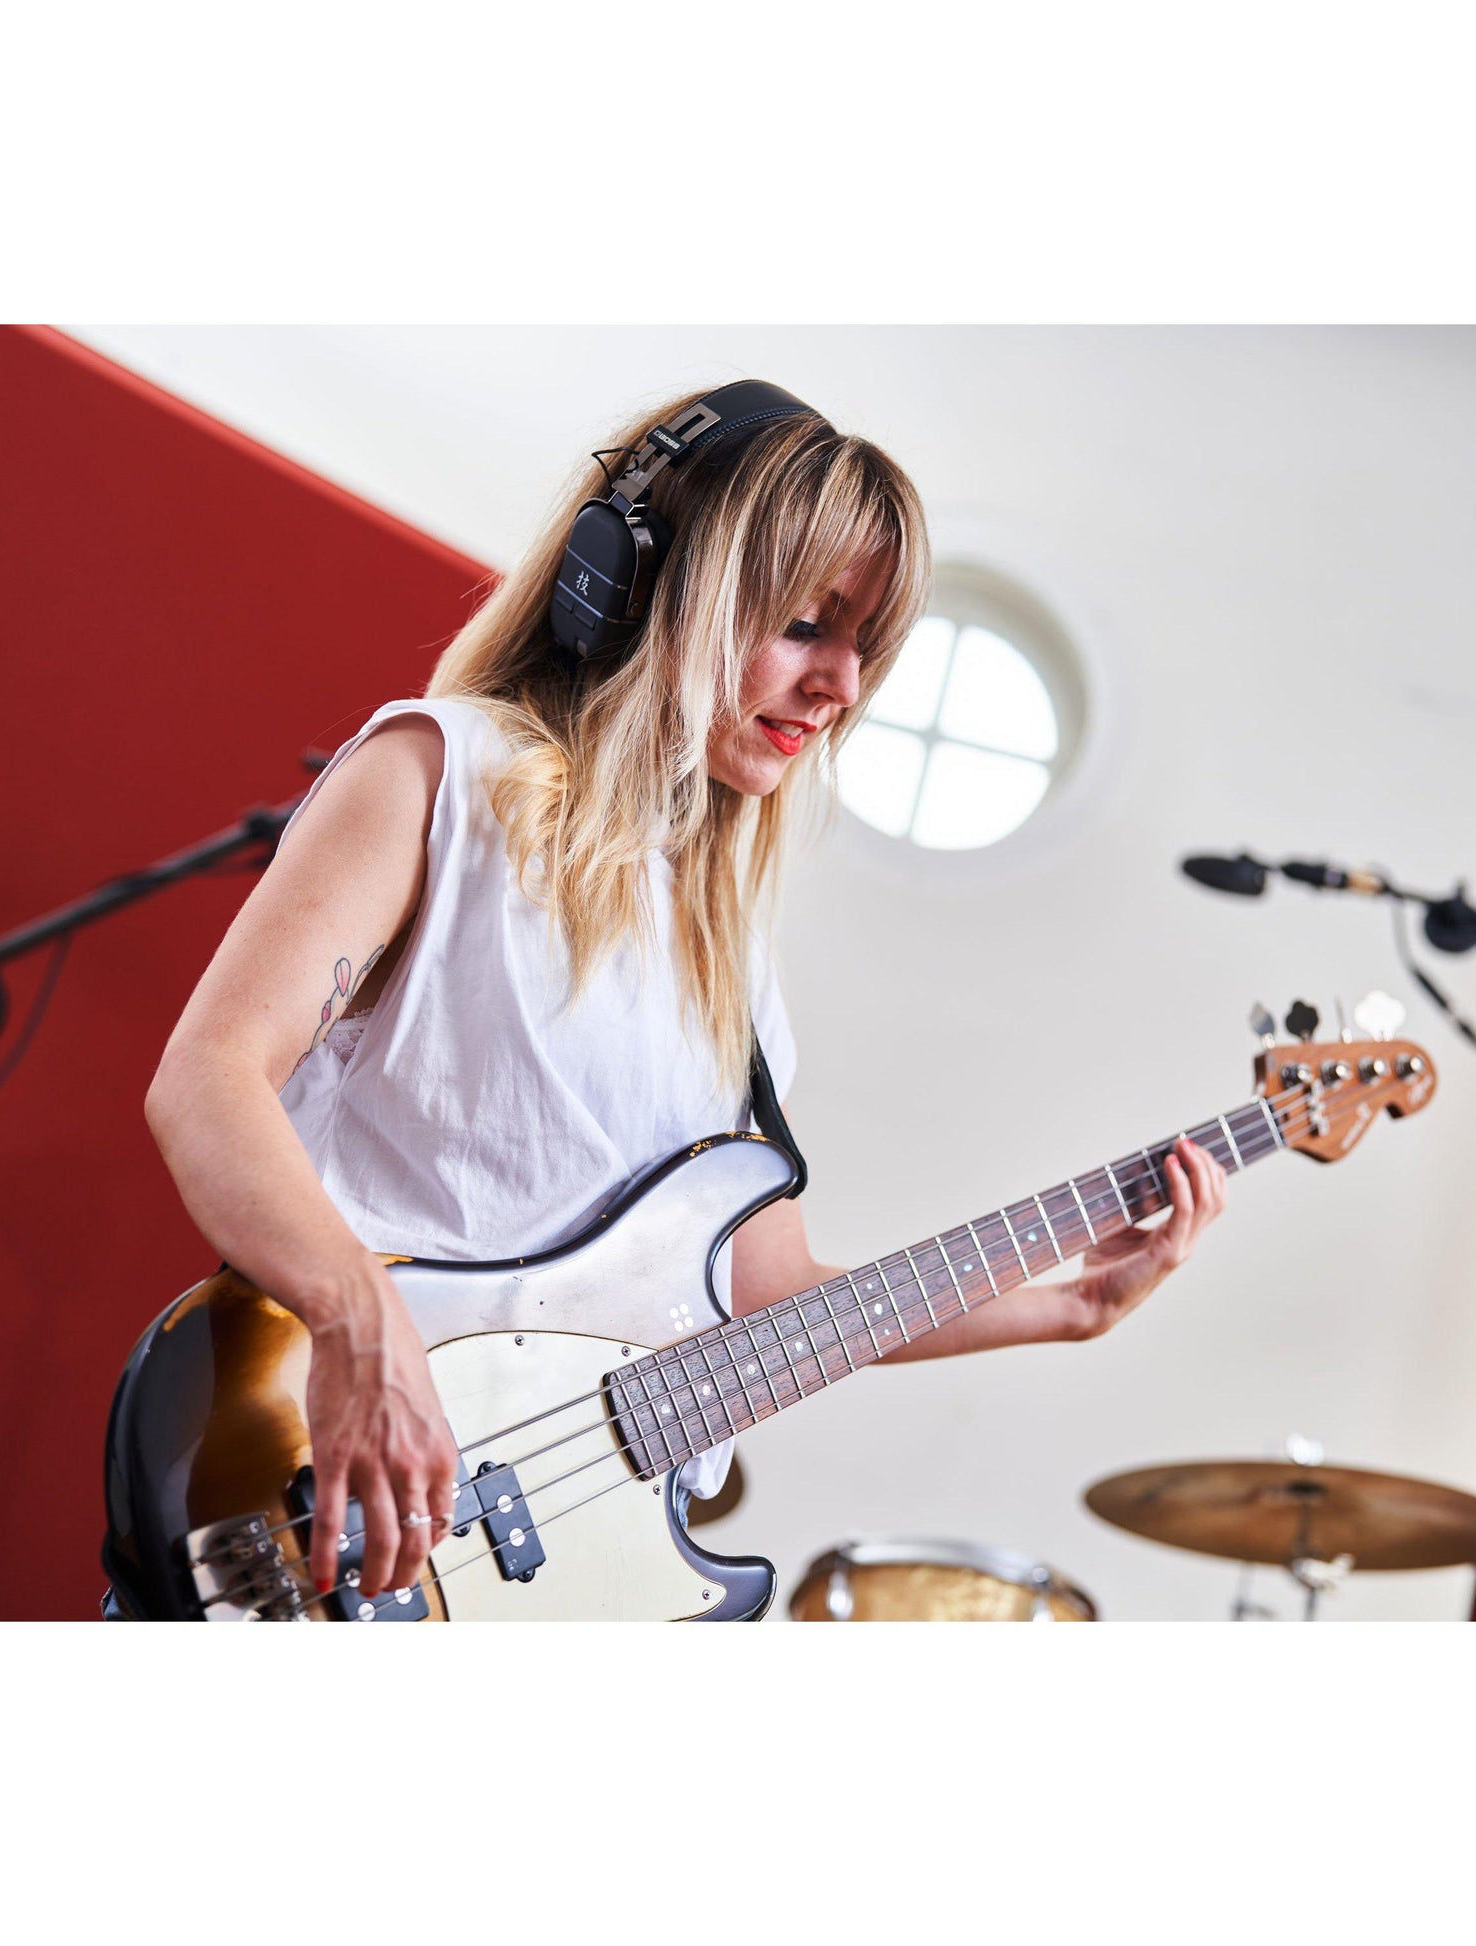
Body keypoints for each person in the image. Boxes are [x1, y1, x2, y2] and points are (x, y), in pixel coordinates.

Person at [143, 381, 1228, 1613]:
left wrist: (1070, 1305)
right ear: (637, 582)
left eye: (865, 646)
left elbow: (765, 1299)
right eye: (805, 624)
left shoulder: (732, 964)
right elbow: (207, 1076)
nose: (839, 684)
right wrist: (359, 1321)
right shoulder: (436, 777)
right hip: (328, 1509)